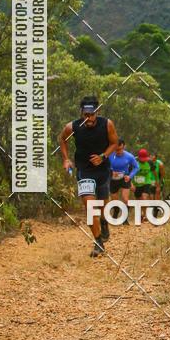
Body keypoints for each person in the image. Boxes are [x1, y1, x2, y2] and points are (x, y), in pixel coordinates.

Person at [60, 96, 119, 257]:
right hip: (84, 171)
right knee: (90, 207)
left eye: (92, 114)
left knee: (103, 205)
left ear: (97, 112)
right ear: (81, 113)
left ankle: (104, 222)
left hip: (102, 171)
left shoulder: (107, 124)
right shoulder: (72, 127)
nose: (89, 118)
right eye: (86, 115)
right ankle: (98, 241)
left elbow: (114, 143)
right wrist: (66, 159)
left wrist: (103, 156)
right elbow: (62, 140)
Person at [108, 139, 139, 223]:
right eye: (116, 149)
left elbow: (136, 167)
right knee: (114, 200)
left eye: (120, 149)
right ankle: (116, 211)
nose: (118, 151)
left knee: (125, 199)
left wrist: (130, 176)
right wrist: (111, 172)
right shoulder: (110, 155)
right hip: (113, 179)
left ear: (124, 147)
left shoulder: (129, 156)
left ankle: (125, 218)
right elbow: (104, 165)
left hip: (125, 178)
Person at [132, 148, 157, 220]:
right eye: (141, 158)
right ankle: (142, 214)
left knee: (144, 196)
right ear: (138, 157)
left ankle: (146, 215)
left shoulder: (150, 162)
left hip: (147, 181)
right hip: (136, 183)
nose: (143, 160)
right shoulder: (134, 161)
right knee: (139, 200)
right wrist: (131, 184)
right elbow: (129, 173)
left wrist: (156, 181)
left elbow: (154, 171)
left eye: (144, 158)